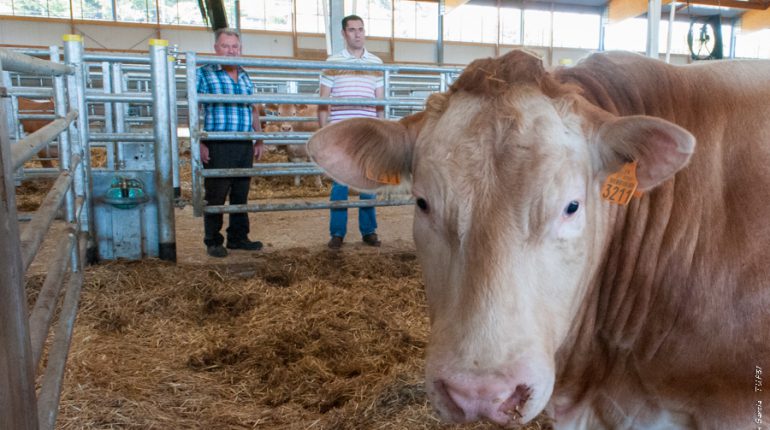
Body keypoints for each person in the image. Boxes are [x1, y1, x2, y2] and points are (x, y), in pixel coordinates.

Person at [318, 15, 384, 250]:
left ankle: (369, 231)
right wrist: (324, 132)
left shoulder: (376, 63)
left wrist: (381, 131)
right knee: (340, 185)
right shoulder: (333, 61)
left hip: (367, 134)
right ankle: (337, 233)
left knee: (368, 183)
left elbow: (380, 102)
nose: (358, 34)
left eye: (361, 29)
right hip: (341, 133)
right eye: (352, 30)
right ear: (344, 34)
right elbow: (323, 100)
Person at [197, 28, 264, 258]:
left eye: (235, 46)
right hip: (218, 142)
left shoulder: (245, 74)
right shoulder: (204, 73)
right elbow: (195, 108)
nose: (231, 51)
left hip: (244, 142)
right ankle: (213, 240)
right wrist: (199, 141)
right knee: (216, 194)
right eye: (225, 46)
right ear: (216, 49)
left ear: (240, 49)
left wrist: (259, 137)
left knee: (240, 193)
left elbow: (252, 108)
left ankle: (238, 237)